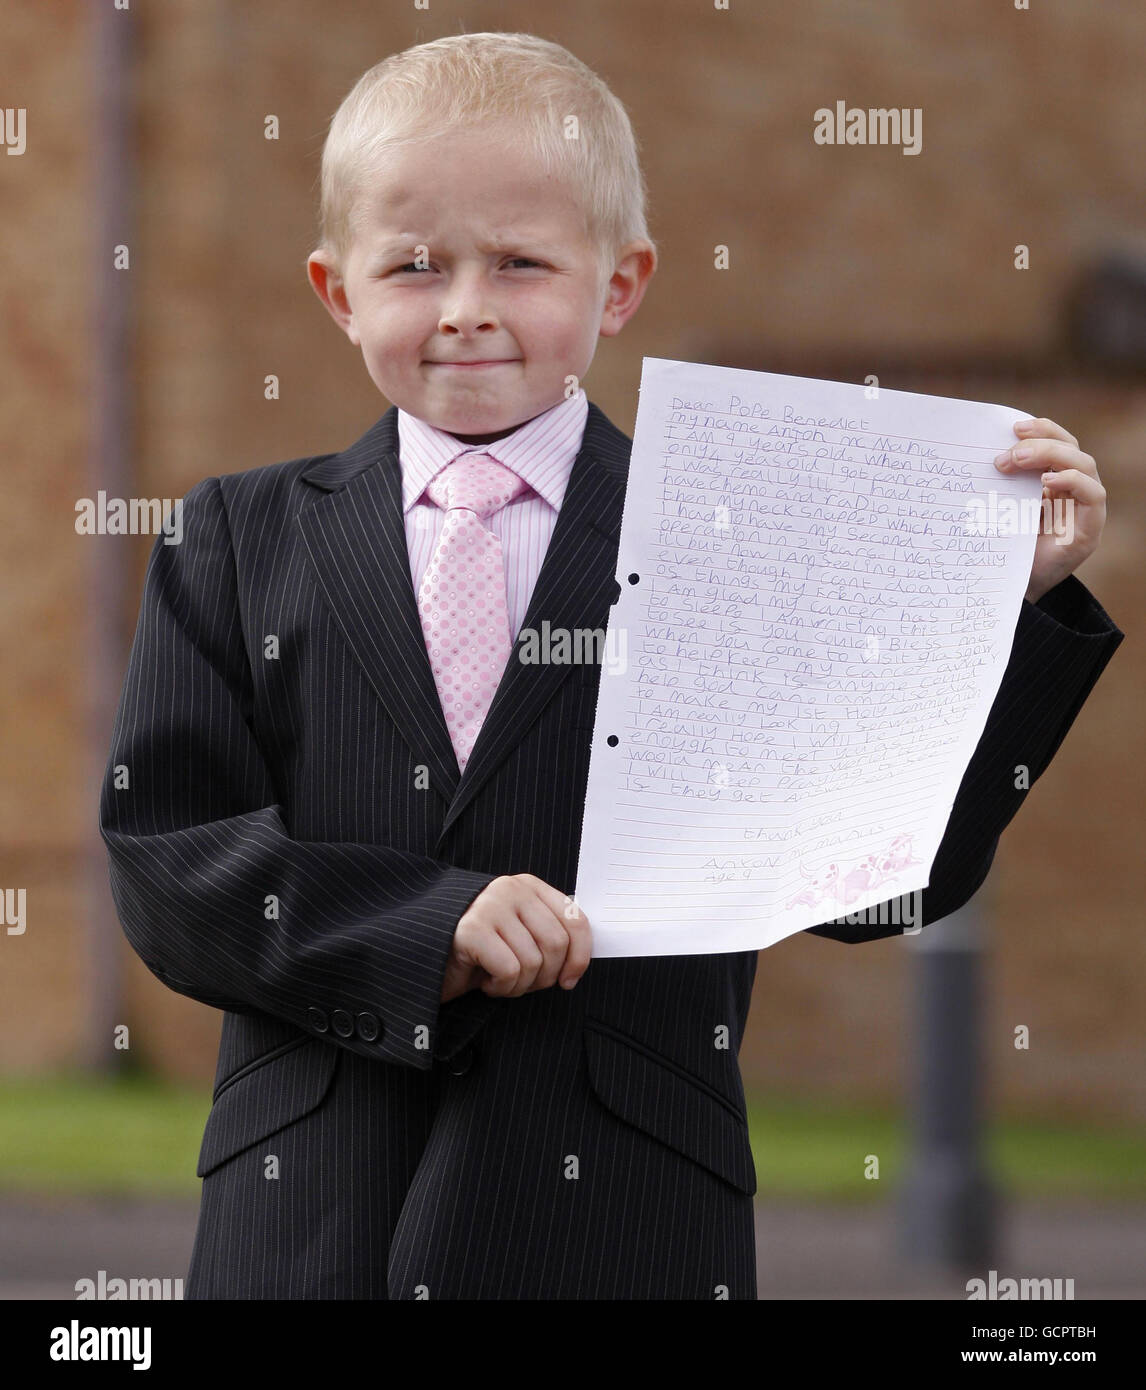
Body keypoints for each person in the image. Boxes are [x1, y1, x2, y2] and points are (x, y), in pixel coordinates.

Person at [99, 32, 1123, 1300]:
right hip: (310, 1224)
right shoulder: (233, 539)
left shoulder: (725, 536)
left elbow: (881, 887)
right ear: (336, 290)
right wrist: (433, 926)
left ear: (620, 282)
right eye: (414, 265)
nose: (466, 303)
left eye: (521, 262)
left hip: (626, 1223)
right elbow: (172, 867)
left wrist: (993, 613)